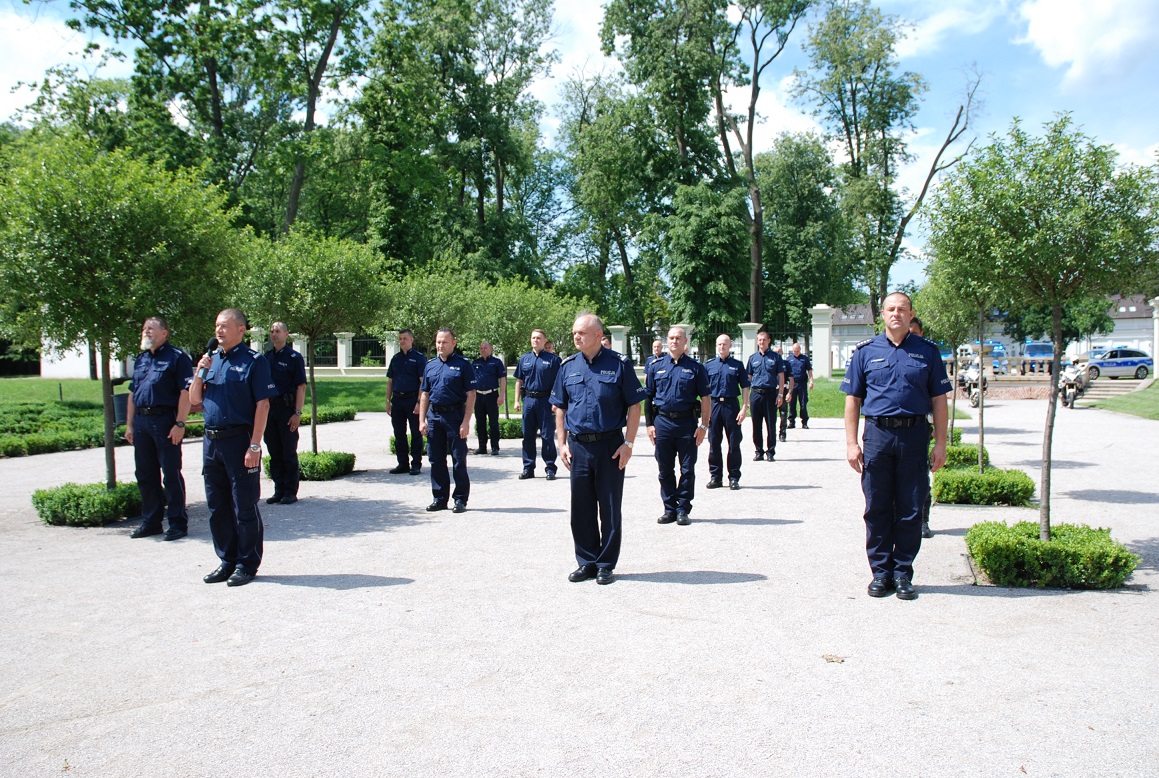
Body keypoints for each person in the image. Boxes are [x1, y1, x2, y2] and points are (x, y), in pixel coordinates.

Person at [842, 292, 950, 601]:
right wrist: (851, 443)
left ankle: (903, 572)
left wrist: (940, 442)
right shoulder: (865, 352)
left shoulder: (928, 352)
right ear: (883, 315)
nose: (896, 314)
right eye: (891, 309)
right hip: (877, 435)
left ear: (911, 314)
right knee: (876, 506)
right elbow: (853, 400)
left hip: (914, 436)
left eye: (902, 309)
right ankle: (880, 572)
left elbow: (939, 400)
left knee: (910, 507)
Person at [551, 314, 645, 585]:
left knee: (610, 506)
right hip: (579, 447)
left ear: (597, 334)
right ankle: (587, 561)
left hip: (610, 446)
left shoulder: (619, 365)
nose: (576, 337)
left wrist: (628, 444)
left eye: (581, 332)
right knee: (580, 508)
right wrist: (562, 443)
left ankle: (606, 563)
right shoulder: (568, 366)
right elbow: (560, 407)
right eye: (574, 333)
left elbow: (635, 405)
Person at [190, 309, 277, 587]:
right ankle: (226, 560)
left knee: (244, 506)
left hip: (239, 441)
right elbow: (194, 399)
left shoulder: (254, 361)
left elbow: (263, 404)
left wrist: (255, 444)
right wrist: (200, 372)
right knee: (217, 506)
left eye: (225, 326)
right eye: (217, 326)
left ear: (241, 330)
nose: (219, 331)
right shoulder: (211, 361)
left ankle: (247, 563)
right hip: (211, 442)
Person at [125, 316, 194, 541]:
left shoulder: (177, 358)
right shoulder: (141, 359)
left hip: (165, 421)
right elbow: (132, 393)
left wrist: (180, 423)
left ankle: (177, 523)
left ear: (164, 332)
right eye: (145, 328)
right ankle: (152, 522)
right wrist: (130, 424)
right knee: (145, 474)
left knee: (171, 474)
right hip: (142, 422)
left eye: (151, 328)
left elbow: (185, 393)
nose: (146, 332)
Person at [645, 326, 711, 525]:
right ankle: (669, 509)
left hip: (686, 424)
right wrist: (649, 424)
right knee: (664, 469)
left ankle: (683, 508)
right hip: (663, 423)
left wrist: (704, 426)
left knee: (687, 468)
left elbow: (706, 398)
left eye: (678, 338)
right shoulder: (656, 366)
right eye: (671, 338)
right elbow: (648, 397)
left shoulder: (696, 368)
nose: (674, 341)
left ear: (685, 343)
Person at [419, 328, 477, 513]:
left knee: (458, 459)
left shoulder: (463, 365)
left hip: (455, 416)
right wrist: (422, 420)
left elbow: (471, 394)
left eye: (444, 342)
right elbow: (425, 394)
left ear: (454, 343)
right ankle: (439, 498)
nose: (440, 345)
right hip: (434, 417)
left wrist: (466, 421)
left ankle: (460, 499)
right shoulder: (430, 365)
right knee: (435, 459)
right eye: (438, 342)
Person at [263, 322, 307, 505]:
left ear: (286, 334)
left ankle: (290, 491)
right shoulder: (266, 358)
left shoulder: (294, 357)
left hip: (287, 409)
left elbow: (301, 386)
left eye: (278, 331)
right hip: (270, 410)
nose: (274, 334)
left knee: (288, 452)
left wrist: (297, 412)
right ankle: (278, 489)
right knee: (274, 451)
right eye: (272, 331)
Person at [513, 329, 561, 480]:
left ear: (545, 340)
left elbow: (558, 382)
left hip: (545, 401)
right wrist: (516, 400)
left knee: (547, 436)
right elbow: (519, 380)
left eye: (539, 338)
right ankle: (528, 468)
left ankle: (550, 468)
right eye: (533, 338)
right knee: (528, 435)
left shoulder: (553, 360)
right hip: (528, 401)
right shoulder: (524, 359)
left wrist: (556, 402)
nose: (535, 340)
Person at [704, 334, 750, 491]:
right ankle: (716, 477)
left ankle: (734, 477)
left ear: (730, 346)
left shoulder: (737, 365)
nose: (721, 347)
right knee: (714, 442)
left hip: (731, 406)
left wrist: (744, 407)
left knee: (734, 442)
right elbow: (703, 390)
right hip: (715, 405)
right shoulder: (709, 365)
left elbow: (745, 386)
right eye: (719, 344)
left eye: (724, 344)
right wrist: (706, 410)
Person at [386, 329, 426, 475]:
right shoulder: (395, 359)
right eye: (400, 339)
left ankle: (416, 464)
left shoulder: (419, 358)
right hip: (397, 400)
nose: (402, 341)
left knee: (416, 433)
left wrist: (418, 402)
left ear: (411, 340)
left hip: (412, 400)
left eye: (405, 338)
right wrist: (387, 401)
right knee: (399, 433)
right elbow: (390, 382)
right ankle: (402, 463)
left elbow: (423, 383)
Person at [746, 332, 790, 462]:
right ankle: (758, 451)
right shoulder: (753, 358)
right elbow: (748, 377)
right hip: (756, 394)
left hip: (770, 393)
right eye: (759, 340)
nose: (761, 342)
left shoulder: (776, 357)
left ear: (769, 341)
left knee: (771, 424)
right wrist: (747, 396)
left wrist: (780, 394)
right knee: (756, 425)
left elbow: (781, 376)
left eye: (764, 340)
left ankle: (770, 451)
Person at [909, 316, 934, 539]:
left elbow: (938, 397)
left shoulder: (928, 355)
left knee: (921, 476)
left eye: (914, 332)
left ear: (921, 333)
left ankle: (923, 520)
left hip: (921, 426)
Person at [471, 341, 506, 456]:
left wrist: (501, 396)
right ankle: (482, 447)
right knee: (480, 423)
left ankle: (495, 447)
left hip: (492, 395)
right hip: (479, 396)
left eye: (485, 348)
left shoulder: (496, 363)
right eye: (481, 348)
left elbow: (503, 379)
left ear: (491, 349)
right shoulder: (475, 363)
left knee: (493, 423)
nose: (483, 350)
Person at [786, 342, 815, 429]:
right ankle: (791, 422)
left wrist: (811, 382)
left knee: (803, 403)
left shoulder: (805, 359)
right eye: (795, 351)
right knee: (792, 403)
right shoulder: (789, 359)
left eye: (798, 351)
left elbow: (809, 370)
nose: (796, 352)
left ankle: (804, 422)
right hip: (792, 384)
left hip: (802, 383)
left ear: (800, 350)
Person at [773, 345, 790, 443]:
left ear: (782, 353)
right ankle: (773, 433)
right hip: (772, 391)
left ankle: (782, 433)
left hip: (783, 390)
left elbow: (791, 378)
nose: (777, 353)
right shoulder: (769, 363)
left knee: (783, 413)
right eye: (775, 352)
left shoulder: (786, 364)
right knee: (771, 414)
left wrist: (790, 392)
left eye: (779, 351)